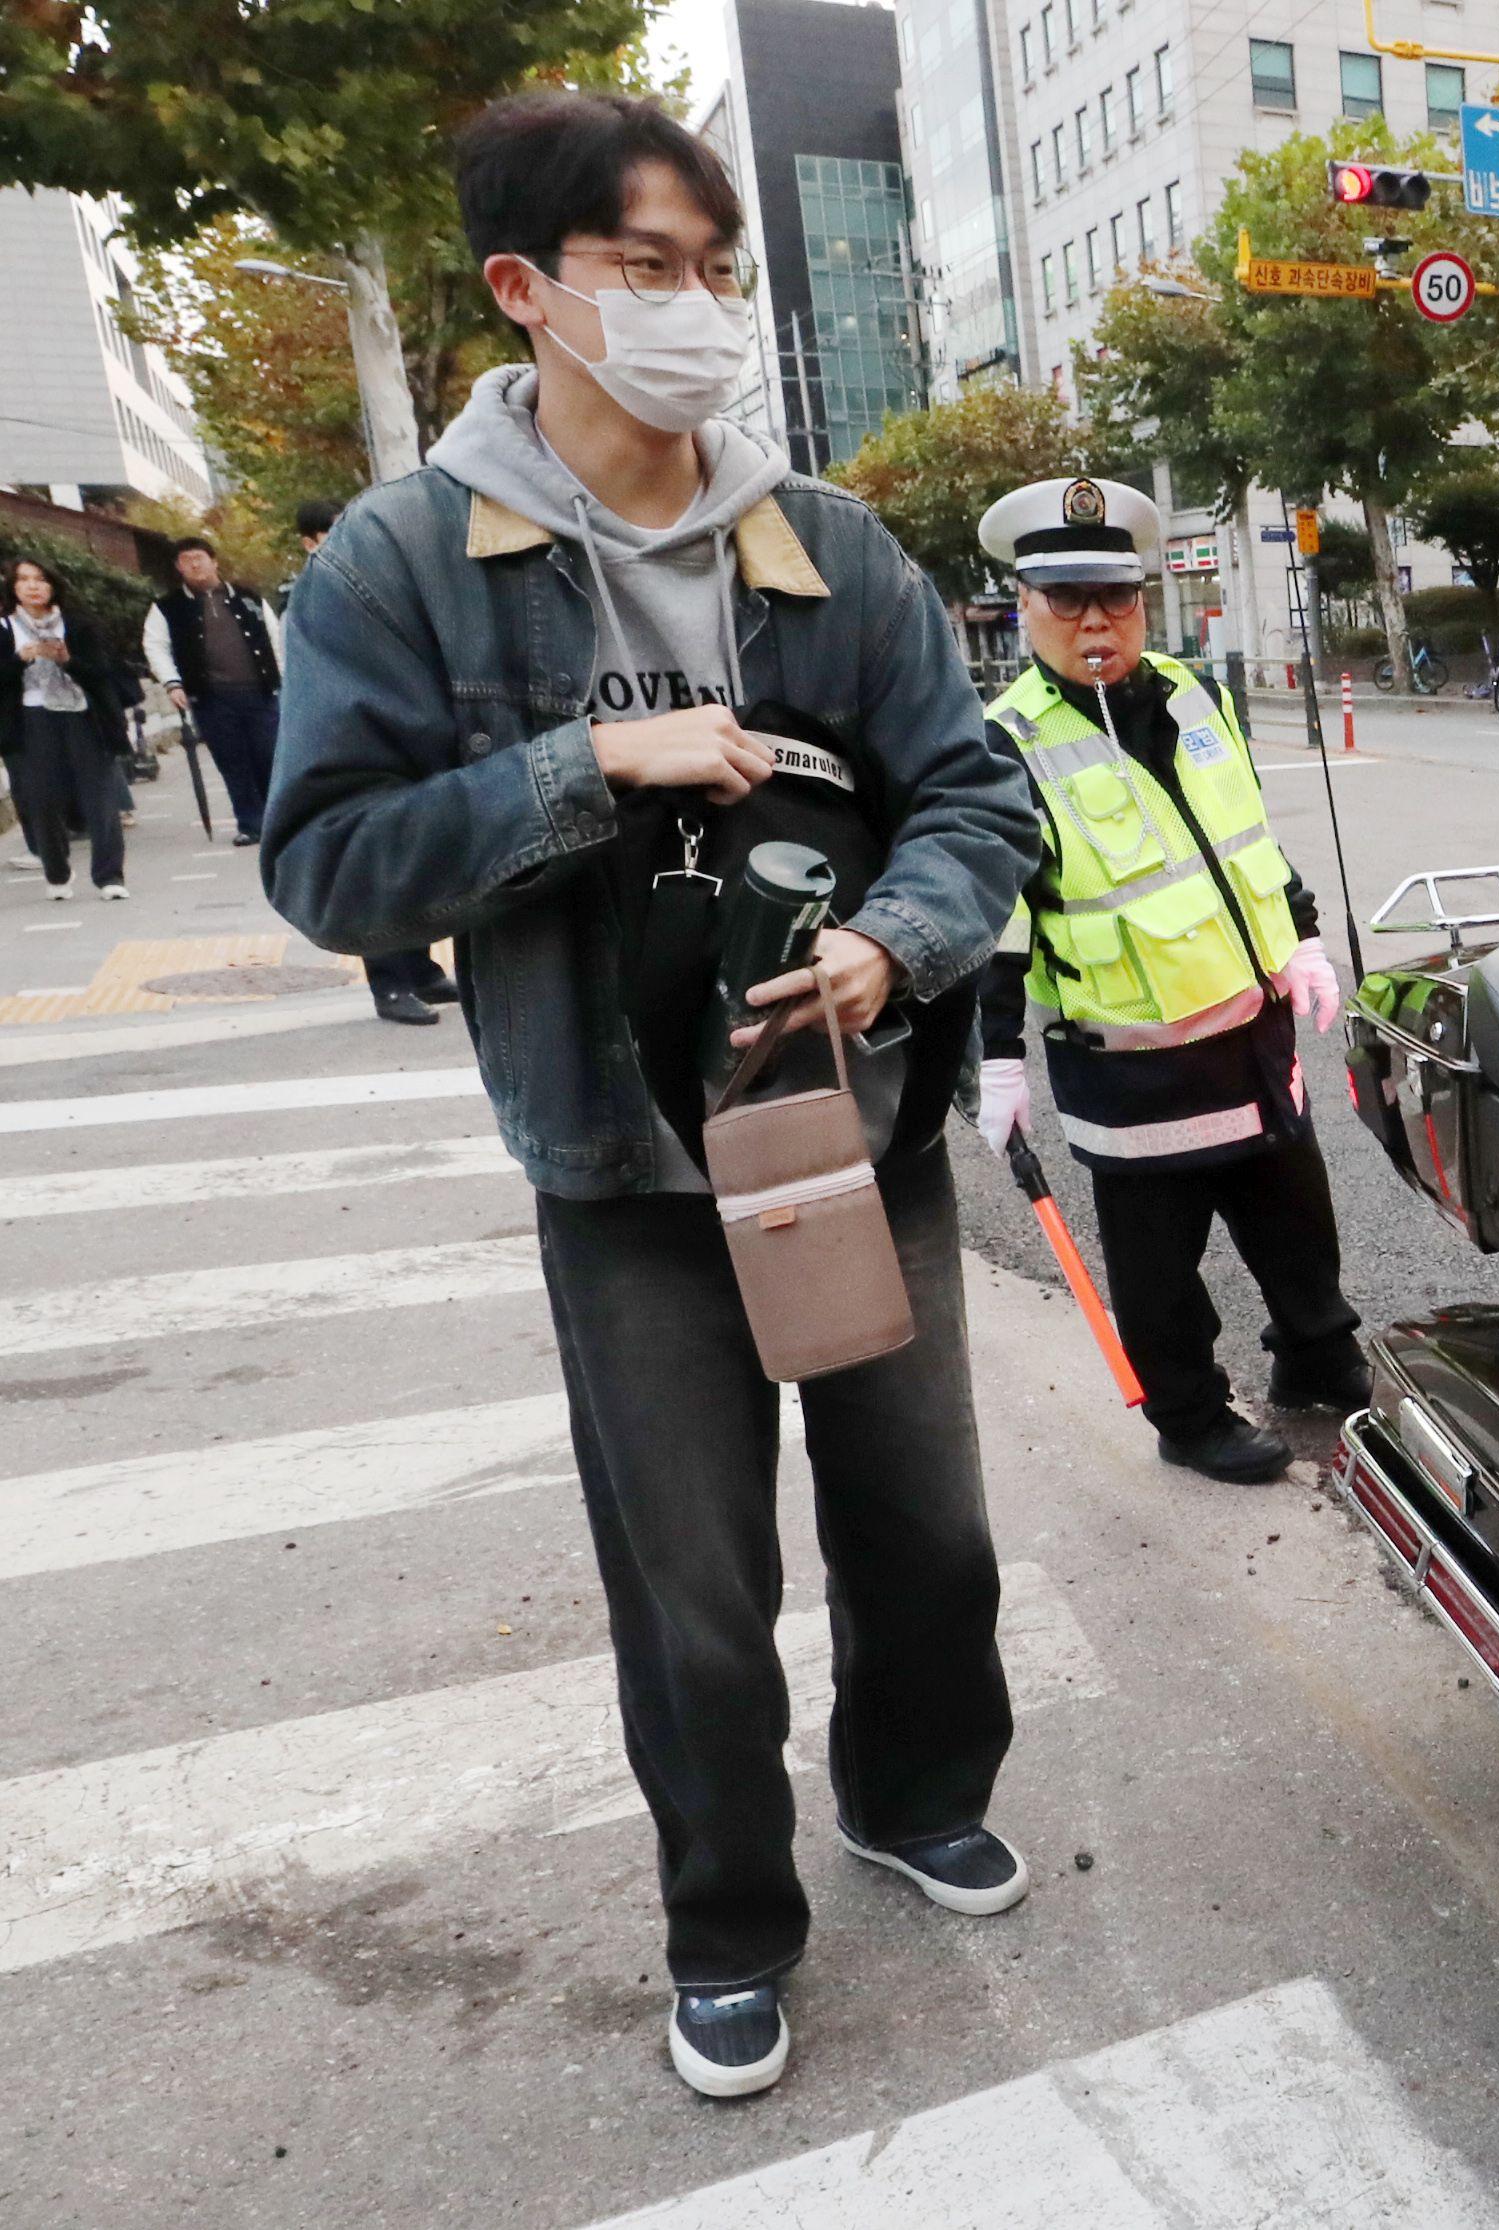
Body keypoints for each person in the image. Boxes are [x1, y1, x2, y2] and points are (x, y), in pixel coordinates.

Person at [262, 89, 1045, 2103]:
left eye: (719, 272)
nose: (698, 309)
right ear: (528, 291)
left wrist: (899, 938)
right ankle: (728, 1925)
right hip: (623, 1167)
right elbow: (328, 864)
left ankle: (916, 1787)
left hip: (848, 1128)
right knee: (695, 1589)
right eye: (648, 268)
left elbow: (975, 792)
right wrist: (579, 772)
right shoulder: (406, 562)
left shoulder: (829, 546)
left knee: (925, 1528)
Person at [971, 474, 1367, 1483]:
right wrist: (996, 1062)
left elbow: (1246, 844)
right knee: (1157, 1266)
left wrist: (1304, 938)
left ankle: (1315, 1359)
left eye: (1118, 597)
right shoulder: (1003, 743)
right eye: (1068, 601)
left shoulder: (1200, 695)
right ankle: (1188, 1417)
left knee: (1295, 1218)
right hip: (1133, 1063)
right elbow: (1001, 924)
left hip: (1250, 1030)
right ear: (1025, 606)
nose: (1096, 621)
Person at [292, 495, 460, 1026]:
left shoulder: (388, 581)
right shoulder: (317, 591)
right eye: (336, 527)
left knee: (419, 856)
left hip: (410, 732)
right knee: (376, 865)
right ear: (311, 540)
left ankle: (422, 969)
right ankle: (388, 984)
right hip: (354, 739)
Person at [4, 555, 138, 901]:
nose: (33, 586)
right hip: (31, 718)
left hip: (82, 715)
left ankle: (110, 876)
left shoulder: (78, 624)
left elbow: (101, 673)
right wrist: (20, 660)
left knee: (100, 797)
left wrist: (67, 660)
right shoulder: (6, 628)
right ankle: (57, 872)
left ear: (53, 585)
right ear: (13, 587)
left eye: (41, 579)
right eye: (24, 579)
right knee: (42, 799)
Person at [143, 534, 284, 849]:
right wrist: (172, 682)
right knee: (232, 760)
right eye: (186, 560)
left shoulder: (247, 597)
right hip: (210, 697)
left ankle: (277, 820)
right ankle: (250, 823)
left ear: (214, 560)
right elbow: (156, 646)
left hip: (259, 691)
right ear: (178, 568)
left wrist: (282, 677)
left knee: (269, 755)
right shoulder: (167, 607)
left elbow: (275, 639)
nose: (194, 564)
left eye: (200, 557)